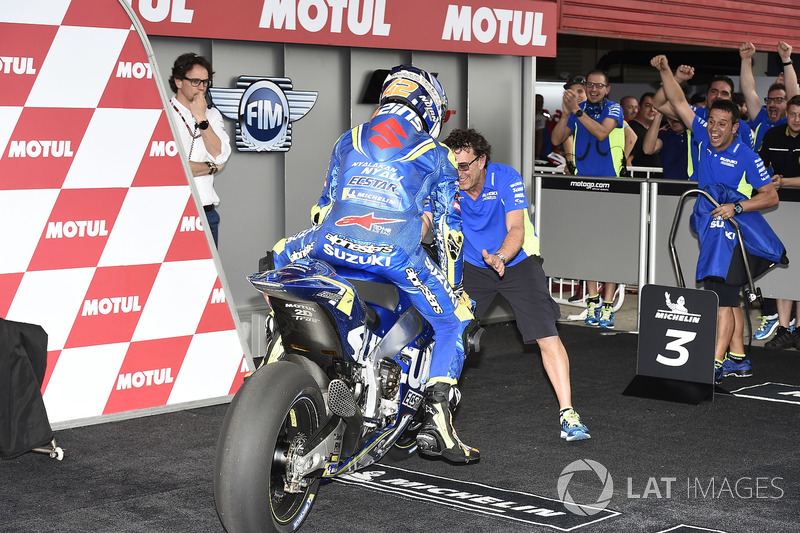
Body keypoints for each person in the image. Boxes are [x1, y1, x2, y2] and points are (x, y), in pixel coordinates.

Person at [271, 65, 479, 463]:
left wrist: (327, 245)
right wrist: (455, 289)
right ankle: (439, 418)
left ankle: (275, 350)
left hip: (326, 245)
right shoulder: (439, 154)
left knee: (280, 256)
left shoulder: (348, 139)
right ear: (429, 107)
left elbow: (322, 208)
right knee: (454, 320)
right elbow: (451, 235)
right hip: (395, 258)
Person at [442, 128, 591, 442]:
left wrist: (500, 256)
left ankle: (568, 414)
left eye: (466, 165)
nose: (460, 173)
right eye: (455, 166)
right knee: (451, 335)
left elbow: (516, 227)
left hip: (517, 261)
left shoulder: (505, 177)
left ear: (482, 161)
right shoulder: (447, 181)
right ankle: (435, 413)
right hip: (471, 266)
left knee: (546, 335)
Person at [653, 54, 779, 383]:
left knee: (721, 301)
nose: (715, 129)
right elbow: (678, 101)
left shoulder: (747, 157)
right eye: (711, 123)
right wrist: (666, 70)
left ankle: (714, 362)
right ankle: (738, 357)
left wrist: (737, 208)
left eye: (723, 124)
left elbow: (771, 196)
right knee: (728, 298)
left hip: (735, 235)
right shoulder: (703, 140)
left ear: (736, 128)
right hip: (712, 231)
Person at [551, 70, 626, 329]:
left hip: (611, 187)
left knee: (610, 247)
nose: (593, 89)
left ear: (607, 89)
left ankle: (608, 305)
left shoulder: (614, 109)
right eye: (589, 85)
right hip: (583, 186)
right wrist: (567, 112)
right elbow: (556, 139)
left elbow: (602, 133)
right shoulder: (577, 109)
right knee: (587, 245)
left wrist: (578, 112)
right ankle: (592, 301)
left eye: (598, 85)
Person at [168, 53, 231, 247]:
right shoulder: (163, 112)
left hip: (206, 212)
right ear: (179, 81)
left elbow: (221, 155)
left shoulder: (211, 115)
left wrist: (200, 117)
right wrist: (211, 167)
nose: (202, 87)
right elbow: (171, 167)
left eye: (205, 82)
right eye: (195, 81)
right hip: (170, 211)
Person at [757, 94, 800, 349]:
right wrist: (767, 183)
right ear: (787, 114)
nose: (797, 119)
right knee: (785, 265)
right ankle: (784, 328)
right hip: (779, 209)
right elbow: (758, 168)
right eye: (793, 114)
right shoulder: (772, 136)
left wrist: (783, 182)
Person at [739, 41, 798, 151]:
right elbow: (749, 91)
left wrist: (786, 59)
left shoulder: (792, 122)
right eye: (769, 100)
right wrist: (746, 60)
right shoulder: (762, 119)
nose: (772, 104)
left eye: (779, 100)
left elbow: (794, 96)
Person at [643, 109, 694, 180]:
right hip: (670, 185)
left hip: (695, 185)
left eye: (676, 115)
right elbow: (647, 150)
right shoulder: (665, 135)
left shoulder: (695, 134)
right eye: (669, 116)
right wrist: (658, 115)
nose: (673, 119)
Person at [628, 92, 662, 169]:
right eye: (648, 106)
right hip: (638, 178)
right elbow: (627, 159)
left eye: (655, 107)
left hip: (655, 179)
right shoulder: (631, 128)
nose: (652, 110)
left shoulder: (656, 131)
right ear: (639, 107)